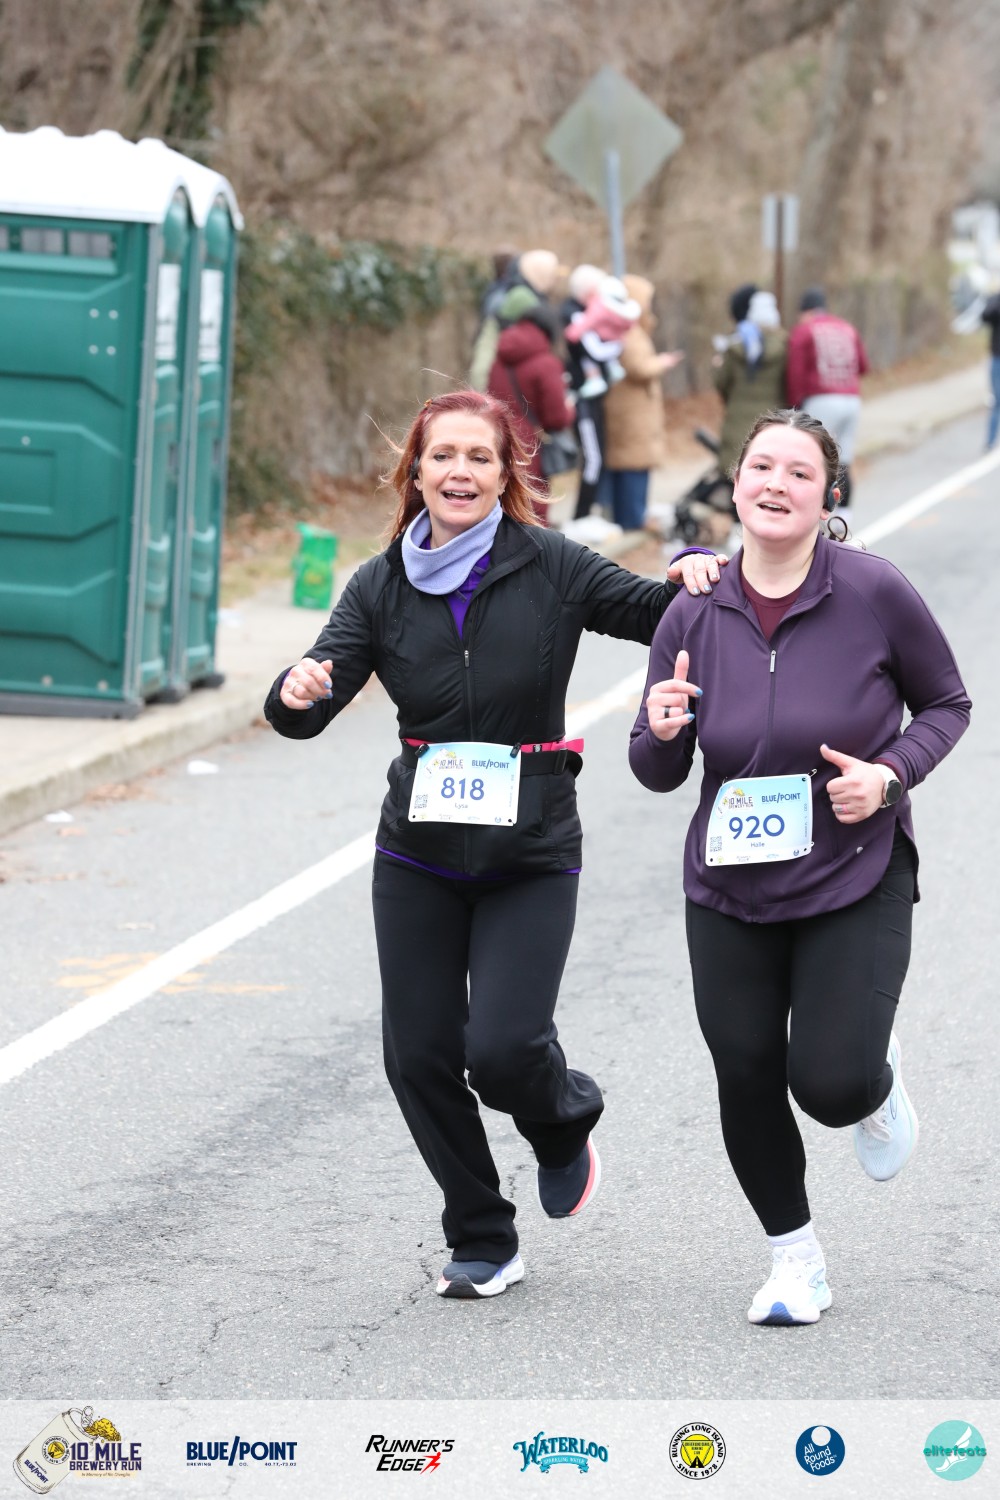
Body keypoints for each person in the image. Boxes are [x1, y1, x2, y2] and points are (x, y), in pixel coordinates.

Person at [263, 389, 717, 1301]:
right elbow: (311, 697)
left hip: (530, 850)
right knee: (418, 1055)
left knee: (504, 1051)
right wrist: (293, 690)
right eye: (443, 456)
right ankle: (481, 1233)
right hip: (419, 852)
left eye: (479, 456)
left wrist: (692, 569)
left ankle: (562, 1118)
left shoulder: (550, 563)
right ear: (416, 471)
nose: (460, 472)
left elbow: (654, 613)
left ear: (506, 473)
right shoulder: (380, 585)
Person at [628, 408, 970, 1326]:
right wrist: (660, 730)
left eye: (799, 473)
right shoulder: (693, 605)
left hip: (854, 867)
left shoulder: (872, 590)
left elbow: (947, 704)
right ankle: (795, 1261)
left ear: (829, 497)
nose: (775, 485)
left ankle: (872, 1076)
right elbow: (655, 770)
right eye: (761, 468)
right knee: (744, 1069)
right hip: (728, 884)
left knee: (829, 1083)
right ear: (736, 483)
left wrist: (889, 776)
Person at [487, 284, 576, 524]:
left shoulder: (498, 358)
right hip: (530, 445)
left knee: (502, 508)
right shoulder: (546, 363)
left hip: (497, 437)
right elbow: (556, 418)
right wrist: (570, 409)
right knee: (532, 511)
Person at [602, 273, 684, 531]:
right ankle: (632, 518)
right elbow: (637, 367)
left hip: (633, 408)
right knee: (633, 461)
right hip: (629, 410)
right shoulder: (627, 332)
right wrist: (661, 363)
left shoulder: (632, 329)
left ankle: (633, 515)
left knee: (635, 461)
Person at [785, 286, 869, 525]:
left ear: (806, 311)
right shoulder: (847, 328)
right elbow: (863, 366)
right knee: (843, 460)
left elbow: (795, 373)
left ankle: (814, 517)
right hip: (851, 399)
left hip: (821, 399)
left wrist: (794, 406)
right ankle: (844, 518)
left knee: (813, 459)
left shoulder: (804, 331)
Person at [713, 289, 787, 483]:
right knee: (769, 478)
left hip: (737, 424)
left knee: (737, 479)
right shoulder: (786, 347)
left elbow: (721, 383)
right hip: (772, 424)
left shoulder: (734, 347)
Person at [469, 249, 561, 392]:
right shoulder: (521, 297)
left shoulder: (520, 292)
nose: (554, 279)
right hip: (503, 381)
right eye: (551, 273)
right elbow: (495, 337)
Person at [980, 289, 1000, 450]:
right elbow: (985, 316)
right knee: (997, 400)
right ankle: (990, 441)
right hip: (997, 358)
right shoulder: (995, 300)